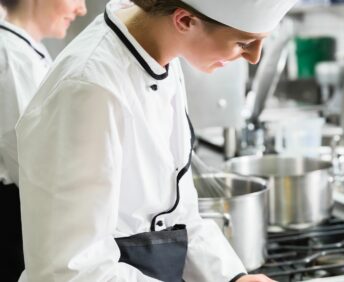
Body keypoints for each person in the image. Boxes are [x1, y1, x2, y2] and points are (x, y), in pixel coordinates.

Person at [16, 0, 296, 281]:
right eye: (243, 42)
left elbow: (178, 213)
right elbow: (70, 270)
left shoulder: (161, 53)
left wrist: (233, 278)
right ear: (185, 21)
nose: (254, 58)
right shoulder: (89, 89)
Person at [0, 0, 86, 281]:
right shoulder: (12, 56)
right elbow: (28, 160)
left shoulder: (24, 49)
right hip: (15, 214)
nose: (82, 9)